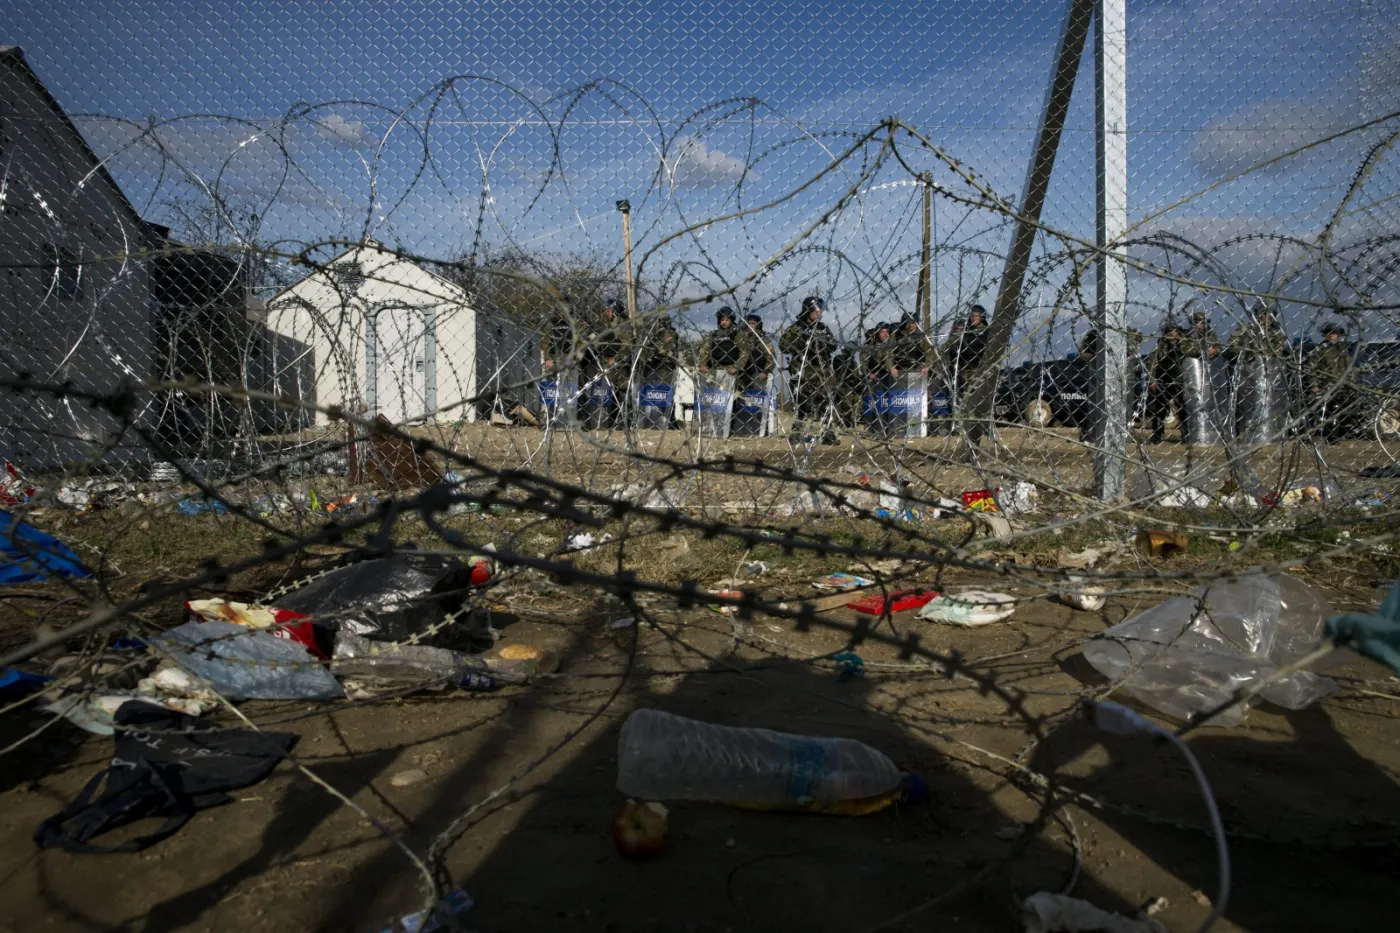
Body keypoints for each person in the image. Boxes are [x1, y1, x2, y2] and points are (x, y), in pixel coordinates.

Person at [780, 295, 839, 444]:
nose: (818, 314)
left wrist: (821, 344)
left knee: (825, 402)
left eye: (819, 311)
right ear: (809, 310)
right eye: (815, 311)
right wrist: (802, 342)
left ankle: (828, 434)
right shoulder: (796, 327)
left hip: (821, 369)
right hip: (802, 369)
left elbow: (833, 345)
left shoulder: (822, 328)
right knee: (802, 403)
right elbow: (783, 346)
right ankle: (796, 433)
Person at [1307, 322, 1355, 442]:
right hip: (1325, 385)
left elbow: (1349, 367)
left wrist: (1352, 383)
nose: (1333, 336)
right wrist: (1314, 385)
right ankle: (1320, 435)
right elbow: (1311, 368)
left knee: (1337, 409)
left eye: (1335, 333)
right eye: (1330, 333)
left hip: (1342, 385)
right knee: (1323, 410)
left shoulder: (1342, 349)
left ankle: (1334, 435)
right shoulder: (1320, 349)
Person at [1146, 319, 1187, 443]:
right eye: (1168, 332)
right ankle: (1157, 435)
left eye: (1173, 331)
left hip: (1180, 380)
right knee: (1160, 409)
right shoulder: (1161, 346)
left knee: (1182, 408)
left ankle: (1186, 435)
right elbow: (1152, 363)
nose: (1171, 334)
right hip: (1164, 380)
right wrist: (1152, 381)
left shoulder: (1185, 344)